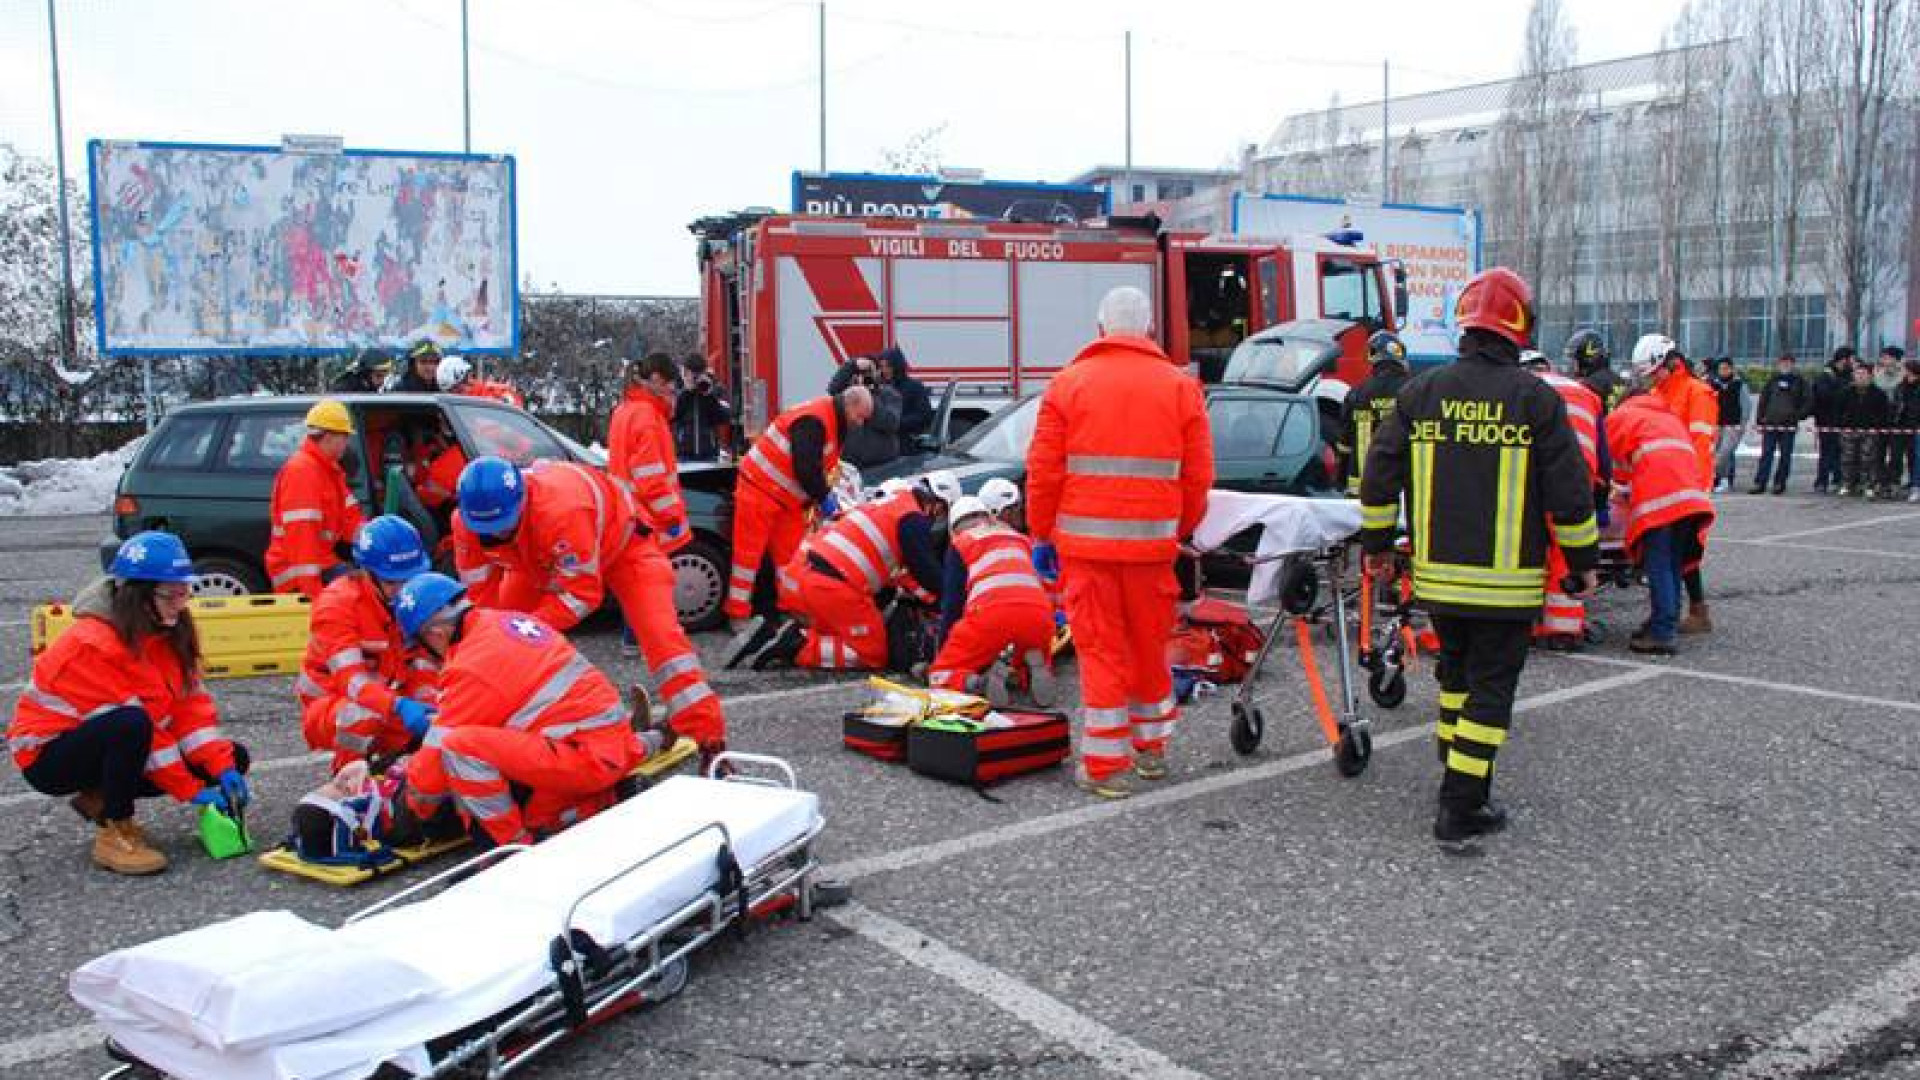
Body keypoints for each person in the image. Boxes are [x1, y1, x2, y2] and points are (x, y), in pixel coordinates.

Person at [1357, 267, 1598, 855]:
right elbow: (1570, 491)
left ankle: (1459, 771)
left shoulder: (1421, 393)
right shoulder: (1536, 399)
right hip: (1507, 586)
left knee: (1457, 678)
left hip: (1440, 581)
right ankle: (1461, 806)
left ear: (1465, 322)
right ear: (1520, 325)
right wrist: (1582, 560)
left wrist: (1379, 547)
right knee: (1490, 692)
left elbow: (1379, 474)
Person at [1026, 285, 1214, 800]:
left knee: (1101, 651)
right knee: (1149, 647)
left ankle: (1107, 765)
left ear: (1100, 329)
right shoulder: (1181, 387)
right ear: (1149, 329)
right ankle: (1151, 750)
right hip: (1152, 551)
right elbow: (1198, 477)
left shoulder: (1068, 384)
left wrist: (1041, 532)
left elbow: (1044, 472)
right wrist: (1174, 529)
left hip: (1086, 553)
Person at [452, 456, 730, 767]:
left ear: (523, 499)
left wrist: (525, 630)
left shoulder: (563, 511)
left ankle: (710, 740)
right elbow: (480, 601)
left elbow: (581, 595)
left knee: (662, 641)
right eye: (488, 530)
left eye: (504, 525)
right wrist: (492, 640)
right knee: (498, 644)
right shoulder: (466, 524)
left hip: (625, 548)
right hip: (538, 562)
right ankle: (511, 728)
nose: (497, 535)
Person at [7, 532, 250, 876]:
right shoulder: (93, 644)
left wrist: (222, 767)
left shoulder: (167, 629)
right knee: (130, 724)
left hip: (115, 739)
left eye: (185, 592)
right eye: (170, 595)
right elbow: (146, 731)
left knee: (234, 756)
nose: (181, 604)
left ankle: (100, 794)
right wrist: (191, 790)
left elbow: (190, 710)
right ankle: (115, 828)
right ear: (137, 595)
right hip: (48, 755)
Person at [393, 573, 660, 849]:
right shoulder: (503, 621)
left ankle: (510, 847)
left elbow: (433, 767)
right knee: (500, 762)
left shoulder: (469, 667)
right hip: (605, 741)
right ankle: (629, 769)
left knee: (461, 749)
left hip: (584, 758)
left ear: (436, 634)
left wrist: (409, 811)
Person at [729, 473, 958, 672]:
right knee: (874, 653)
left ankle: (778, 633)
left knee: (843, 630)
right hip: (833, 585)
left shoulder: (891, 505)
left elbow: (901, 574)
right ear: (938, 505)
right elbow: (925, 573)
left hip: (805, 576)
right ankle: (799, 646)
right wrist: (953, 597)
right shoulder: (912, 520)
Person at [296, 516, 439, 773]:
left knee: (440, 720)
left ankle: (399, 774)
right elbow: (351, 682)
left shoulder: (414, 600)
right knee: (363, 714)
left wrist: (429, 707)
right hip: (332, 707)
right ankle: (348, 779)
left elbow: (424, 664)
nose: (403, 590)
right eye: (392, 582)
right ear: (366, 574)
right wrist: (399, 706)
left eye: (410, 579)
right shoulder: (336, 606)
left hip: (386, 703)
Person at [724, 388, 875, 628]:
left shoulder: (830, 420)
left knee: (792, 560)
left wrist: (821, 497)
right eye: (860, 416)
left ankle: (791, 610)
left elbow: (815, 468)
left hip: (787, 500)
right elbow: (805, 469)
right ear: (850, 405)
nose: (860, 423)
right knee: (747, 559)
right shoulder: (815, 420)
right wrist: (824, 498)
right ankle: (738, 614)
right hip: (759, 489)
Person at [1605, 385, 1715, 656]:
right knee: (1673, 564)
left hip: (1660, 499)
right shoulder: (1669, 417)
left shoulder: (1621, 416)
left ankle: (1662, 633)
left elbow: (1606, 464)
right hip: (1691, 499)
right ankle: (1664, 620)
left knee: (1659, 564)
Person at [927, 496, 1058, 706]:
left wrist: (944, 650)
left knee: (940, 675)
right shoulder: (1018, 538)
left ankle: (979, 683)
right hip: (1039, 613)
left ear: (953, 529)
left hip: (991, 614)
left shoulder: (961, 544)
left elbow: (952, 605)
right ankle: (1028, 669)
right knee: (1024, 645)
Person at [1522, 349, 1603, 649]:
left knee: (1530, 550)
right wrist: (1600, 496)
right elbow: (1602, 449)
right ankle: (1564, 630)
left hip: (1535, 478)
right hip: (1579, 479)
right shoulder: (1584, 393)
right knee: (1567, 552)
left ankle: (1528, 622)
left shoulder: (1524, 393)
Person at [1638, 334, 1718, 635]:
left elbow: (1701, 444)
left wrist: (1693, 488)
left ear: (1671, 363)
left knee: (1684, 548)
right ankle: (1668, 610)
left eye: (1654, 372)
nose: (1651, 378)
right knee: (1665, 550)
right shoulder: (1657, 393)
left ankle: (1696, 609)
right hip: (1664, 482)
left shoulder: (1698, 393)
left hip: (1690, 481)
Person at [266, 399, 365, 600]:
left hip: (321, 563)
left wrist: (376, 539)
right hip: (297, 574)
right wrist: (312, 596)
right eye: (344, 437)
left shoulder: (327, 470)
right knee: (360, 594)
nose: (346, 444)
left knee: (367, 585)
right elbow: (302, 538)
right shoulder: (303, 472)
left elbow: (351, 518)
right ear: (328, 437)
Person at [1335, 331, 1412, 496]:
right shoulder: (1413, 391)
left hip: (1361, 489)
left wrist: (1340, 482)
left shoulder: (1356, 393)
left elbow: (1344, 446)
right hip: (1400, 487)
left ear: (1372, 357)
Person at [829, 354, 905, 468]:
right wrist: (852, 365)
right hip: (849, 463)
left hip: (883, 464)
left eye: (868, 373)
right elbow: (832, 390)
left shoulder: (889, 394)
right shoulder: (847, 395)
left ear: (877, 373)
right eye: (860, 373)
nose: (864, 376)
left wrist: (868, 396)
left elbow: (891, 423)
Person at [1751, 354, 1811, 495]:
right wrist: (1760, 419)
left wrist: (1798, 415)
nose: (1785, 365)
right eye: (1783, 363)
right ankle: (1760, 482)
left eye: (1788, 363)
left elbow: (1808, 401)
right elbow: (1763, 400)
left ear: (1793, 365)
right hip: (1770, 423)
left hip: (1789, 425)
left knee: (1785, 455)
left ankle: (1780, 483)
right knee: (1766, 454)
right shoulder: (1772, 380)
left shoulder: (1800, 382)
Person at [1838, 360, 1891, 498]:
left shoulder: (1878, 394)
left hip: (1870, 432)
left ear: (1870, 376)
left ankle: (1869, 485)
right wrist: (1843, 425)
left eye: (1863, 374)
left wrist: (1876, 427)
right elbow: (1837, 411)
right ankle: (1847, 484)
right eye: (1857, 373)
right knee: (1847, 459)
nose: (1860, 376)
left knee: (1869, 460)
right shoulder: (1846, 392)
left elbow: (1884, 414)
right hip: (1849, 431)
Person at [1811, 347, 1857, 493]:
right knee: (1826, 452)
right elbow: (1823, 395)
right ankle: (1822, 481)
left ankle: (1839, 480)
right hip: (1827, 420)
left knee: (1843, 453)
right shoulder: (1826, 375)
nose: (1853, 362)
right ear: (1843, 360)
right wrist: (1843, 390)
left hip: (1845, 421)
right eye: (1851, 359)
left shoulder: (1851, 375)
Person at [672, 356, 733, 461]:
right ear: (685, 373)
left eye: (698, 374)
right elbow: (673, 415)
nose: (696, 379)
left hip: (709, 453)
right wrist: (686, 391)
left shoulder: (715, 389)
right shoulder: (676, 389)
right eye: (693, 375)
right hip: (683, 454)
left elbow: (725, 417)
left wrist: (710, 395)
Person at [1707, 358, 1750, 492]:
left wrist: (1742, 424)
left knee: (1725, 452)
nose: (1723, 371)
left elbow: (1746, 405)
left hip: (1733, 425)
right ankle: (1717, 479)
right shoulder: (1713, 384)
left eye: (1726, 368)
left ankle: (1725, 479)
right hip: (1717, 424)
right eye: (1721, 369)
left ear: (1731, 369)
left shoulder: (1739, 385)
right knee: (1715, 452)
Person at [1873, 347, 1909, 499]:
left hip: (1899, 422)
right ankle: (1880, 483)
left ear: (1896, 359)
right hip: (1880, 422)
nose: (1884, 361)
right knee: (1878, 454)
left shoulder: (1905, 376)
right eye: (1883, 358)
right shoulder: (1878, 375)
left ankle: (1894, 482)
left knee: (1896, 455)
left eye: (1887, 357)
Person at [879, 346, 935, 444]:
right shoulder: (881, 387)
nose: (884, 370)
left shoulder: (914, 386)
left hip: (906, 441)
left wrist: (897, 423)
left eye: (888, 366)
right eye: (882, 366)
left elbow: (924, 416)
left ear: (897, 366)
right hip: (885, 442)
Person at [1567, 329, 1623, 413]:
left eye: (1574, 359)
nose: (1572, 364)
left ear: (1584, 359)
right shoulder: (1620, 381)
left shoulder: (1588, 386)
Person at [436, 355, 525, 407]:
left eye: (455, 389)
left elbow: (516, 412)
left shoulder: (495, 392)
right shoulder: (452, 406)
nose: (453, 394)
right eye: (449, 391)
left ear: (467, 379)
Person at [1899, 358, 1920, 502]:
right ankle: (1913, 483)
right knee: (1911, 457)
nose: (1903, 372)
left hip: (1917, 427)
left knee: (1918, 457)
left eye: (1904, 369)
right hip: (1904, 427)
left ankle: (1916, 487)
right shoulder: (1902, 386)